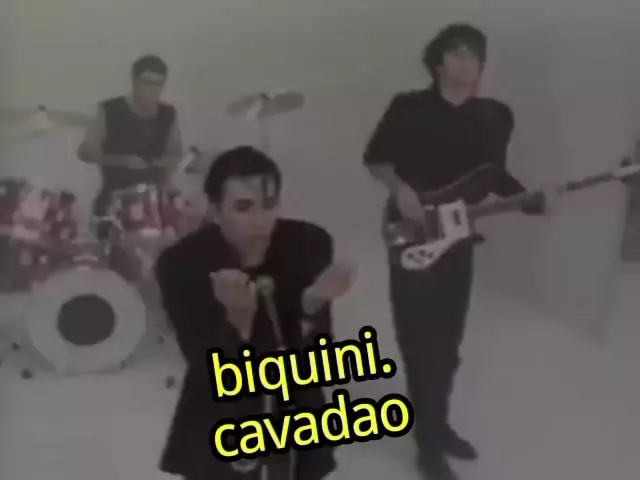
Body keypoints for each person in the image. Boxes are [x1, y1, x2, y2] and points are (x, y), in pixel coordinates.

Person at [363, 24, 548, 480]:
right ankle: (427, 446)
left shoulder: (496, 116)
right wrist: (400, 188)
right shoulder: (408, 107)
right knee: (418, 339)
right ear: (438, 61)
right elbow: (375, 159)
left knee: (447, 343)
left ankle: (437, 425)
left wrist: (529, 199)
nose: (467, 62)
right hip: (410, 233)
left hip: (458, 237)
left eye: (475, 54)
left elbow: (494, 175)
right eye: (457, 53)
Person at [155, 146, 355, 480]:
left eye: (270, 204)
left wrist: (312, 306)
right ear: (215, 210)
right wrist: (238, 323)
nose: (261, 221)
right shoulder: (182, 264)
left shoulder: (308, 244)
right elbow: (205, 368)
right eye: (243, 207)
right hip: (221, 416)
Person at [77, 54, 182, 279]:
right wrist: (122, 160)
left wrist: (168, 168)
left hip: (155, 206)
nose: (153, 89)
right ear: (134, 82)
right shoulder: (109, 110)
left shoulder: (168, 115)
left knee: (160, 275)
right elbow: (85, 151)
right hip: (114, 203)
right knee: (116, 277)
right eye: (147, 82)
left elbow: (175, 153)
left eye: (158, 84)